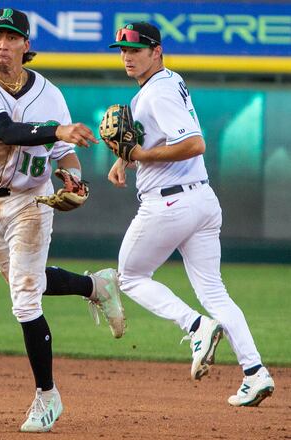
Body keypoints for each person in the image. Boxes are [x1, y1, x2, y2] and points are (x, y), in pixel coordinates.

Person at [0, 8, 125, 433]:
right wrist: (58, 131)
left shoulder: (49, 94)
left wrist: (75, 176)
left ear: (26, 46)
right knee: (20, 281)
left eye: (12, 38)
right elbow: (4, 131)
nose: (3, 45)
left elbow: (64, 155)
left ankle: (47, 397)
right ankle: (96, 285)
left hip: (30, 202)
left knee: (24, 300)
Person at [103, 22, 274, 406]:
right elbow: (153, 136)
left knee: (129, 277)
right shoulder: (166, 82)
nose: (128, 56)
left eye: (136, 49)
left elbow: (194, 143)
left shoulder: (157, 92)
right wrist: (124, 159)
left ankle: (195, 326)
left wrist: (141, 157)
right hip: (201, 201)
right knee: (215, 292)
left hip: (169, 204)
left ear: (157, 51)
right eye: (123, 50)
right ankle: (255, 373)